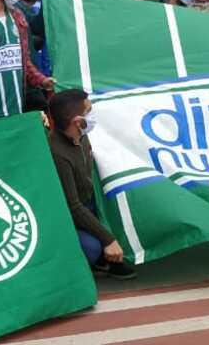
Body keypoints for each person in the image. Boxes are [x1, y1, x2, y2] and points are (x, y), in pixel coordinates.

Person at [47, 89, 137, 280]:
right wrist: (108, 240)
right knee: (92, 248)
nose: (93, 115)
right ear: (78, 122)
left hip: (89, 200)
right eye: (88, 111)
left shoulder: (82, 136)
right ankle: (99, 258)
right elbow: (73, 207)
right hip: (71, 213)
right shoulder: (57, 153)